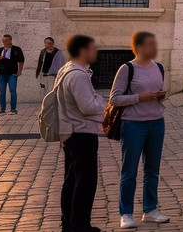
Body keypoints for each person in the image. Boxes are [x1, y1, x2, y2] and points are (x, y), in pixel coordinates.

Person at [110, 31, 169, 228]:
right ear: (140, 47)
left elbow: (156, 92)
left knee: (152, 169)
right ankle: (126, 213)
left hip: (157, 122)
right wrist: (140, 98)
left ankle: (150, 209)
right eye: (151, 44)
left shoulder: (158, 67)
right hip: (133, 124)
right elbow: (115, 99)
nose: (155, 47)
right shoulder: (127, 69)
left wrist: (159, 96)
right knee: (130, 170)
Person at [57, 34, 106, 232]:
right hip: (81, 132)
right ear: (83, 50)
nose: (96, 51)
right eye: (93, 48)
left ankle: (69, 222)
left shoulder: (67, 69)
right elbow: (87, 106)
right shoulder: (77, 75)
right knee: (84, 181)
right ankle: (80, 225)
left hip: (71, 131)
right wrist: (102, 102)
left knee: (71, 180)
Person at [0, 34, 23, 114]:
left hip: (12, 73)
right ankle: (2, 109)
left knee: (13, 91)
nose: (5, 42)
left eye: (7, 40)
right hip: (1, 73)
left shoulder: (16, 49)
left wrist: (19, 70)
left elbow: (21, 60)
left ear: (10, 40)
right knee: (2, 92)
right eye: (4, 41)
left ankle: (13, 109)